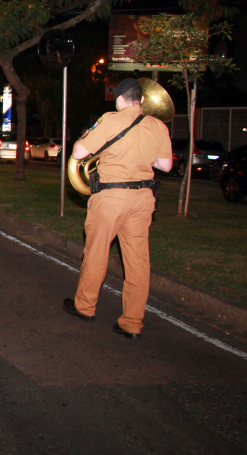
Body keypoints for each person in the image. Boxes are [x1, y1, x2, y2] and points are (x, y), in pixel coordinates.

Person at [62, 78, 172, 339]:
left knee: (96, 253)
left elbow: (78, 152)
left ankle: (85, 307)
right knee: (137, 262)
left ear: (119, 99)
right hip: (143, 199)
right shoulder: (157, 125)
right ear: (142, 100)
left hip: (111, 198)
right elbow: (166, 165)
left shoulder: (110, 119)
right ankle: (132, 323)